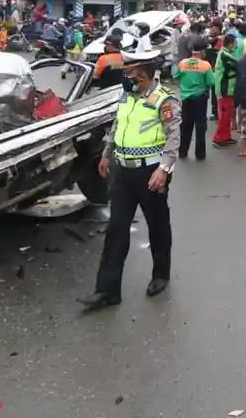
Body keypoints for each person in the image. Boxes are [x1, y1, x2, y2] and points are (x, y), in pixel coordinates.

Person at [78, 48, 179, 311]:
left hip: (151, 173)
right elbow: (116, 125)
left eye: (129, 71)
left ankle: (160, 274)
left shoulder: (164, 100)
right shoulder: (127, 97)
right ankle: (107, 290)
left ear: (143, 73)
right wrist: (106, 153)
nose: (125, 75)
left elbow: (174, 137)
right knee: (116, 229)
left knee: (157, 225)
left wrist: (163, 170)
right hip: (122, 171)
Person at [174, 37, 214, 161]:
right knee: (200, 127)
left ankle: (182, 152)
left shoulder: (183, 63)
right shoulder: (205, 65)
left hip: (186, 99)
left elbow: (176, 76)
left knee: (185, 126)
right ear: (202, 52)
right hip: (200, 99)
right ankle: (200, 155)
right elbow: (211, 82)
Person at [211, 34, 239, 147]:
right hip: (225, 89)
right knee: (225, 115)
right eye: (235, 42)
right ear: (231, 43)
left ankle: (226, 137)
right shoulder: (225, 55)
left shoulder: (226, 53)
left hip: (229, 89)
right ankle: (218, 139)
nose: (237, 45)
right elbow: (238, 65)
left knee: (228, 114)